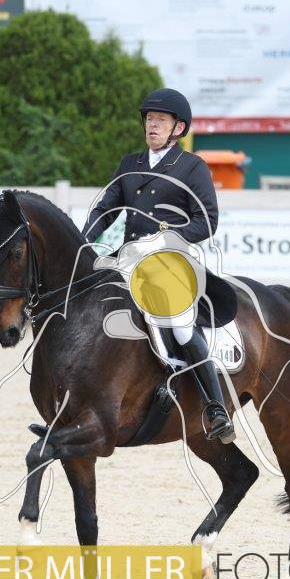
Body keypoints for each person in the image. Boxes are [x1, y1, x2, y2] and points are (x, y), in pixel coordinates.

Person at [83, 88, 234, 443]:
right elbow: (107, 208)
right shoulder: (130, 163)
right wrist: (85, 238)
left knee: (179, 324)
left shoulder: (191, 167)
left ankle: (215, 407)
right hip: (129, 256)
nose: (152, 126)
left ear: (178, 128)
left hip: (170, 259)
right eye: (149, 120)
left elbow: (207, 220)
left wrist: (169, 236)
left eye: (160, 121)